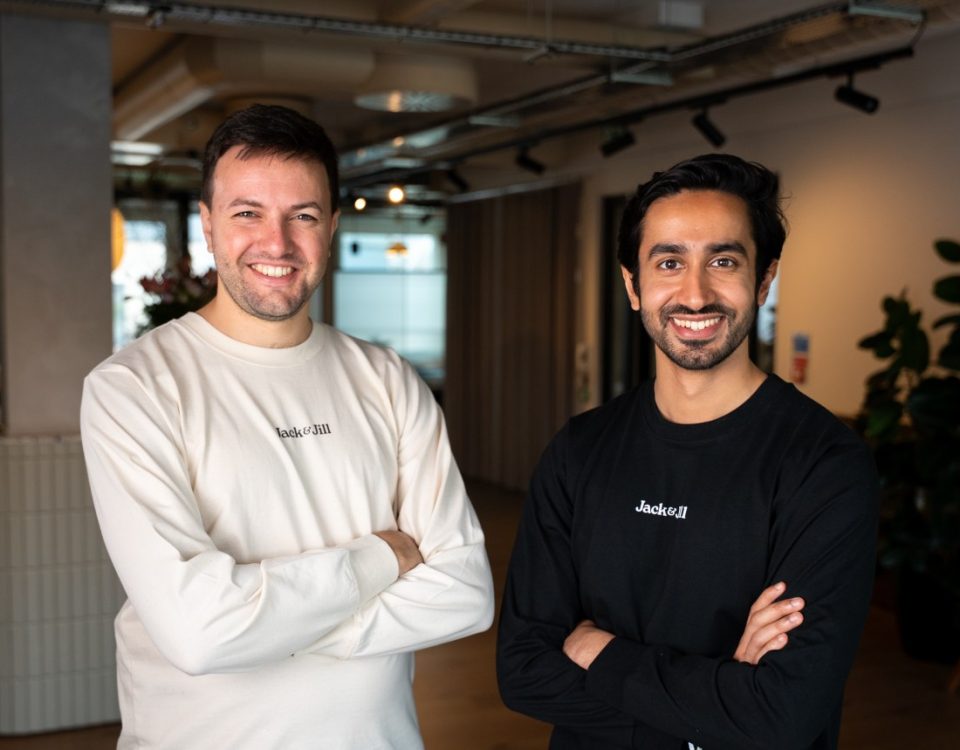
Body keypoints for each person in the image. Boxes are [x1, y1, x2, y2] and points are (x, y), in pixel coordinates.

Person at [81, 104, 494, 749]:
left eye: (302, 216)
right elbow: (199, 633)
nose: (277, 244)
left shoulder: (387, 379)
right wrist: (381, 558)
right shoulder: (134, 387)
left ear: (329, 227)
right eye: (248, 213)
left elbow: (466, 592)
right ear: (209, 226)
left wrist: (271, 625)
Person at [497, 153, 878, 750]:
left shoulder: (823, 465)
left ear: (764, 279)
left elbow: (785, 714)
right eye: (669, 261)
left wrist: (598, 650)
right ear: (633, 284)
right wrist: (722, 697)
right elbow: (523, 671)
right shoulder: (580, 449)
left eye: (723, 261)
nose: (695, 294)